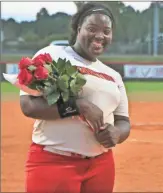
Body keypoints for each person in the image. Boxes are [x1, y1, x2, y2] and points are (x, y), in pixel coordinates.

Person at [19, 3, 130, 193]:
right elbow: (28, 106)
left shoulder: (113, 75)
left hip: (101, 166)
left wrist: (117, 134)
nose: (100, 36)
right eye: (92, 29)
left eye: (106, 31)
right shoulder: (52, 55)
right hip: (53, 162)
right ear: (79, 29)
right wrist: (78, 106)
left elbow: (123, 121)